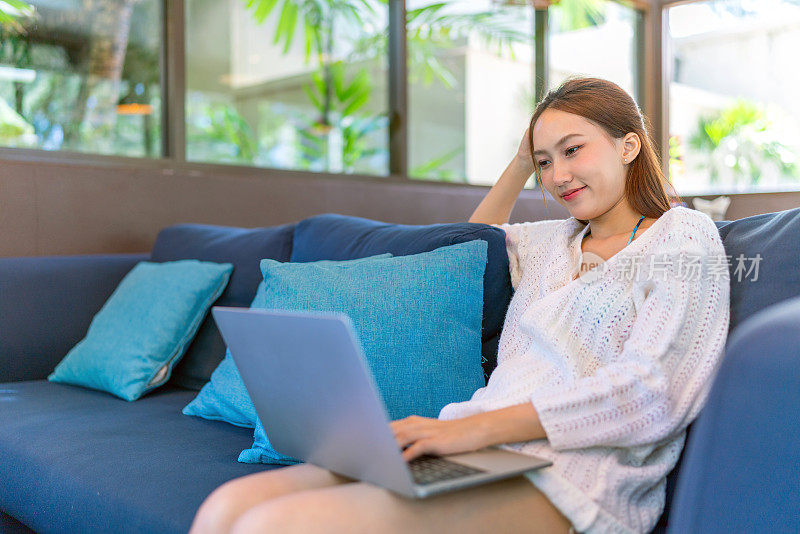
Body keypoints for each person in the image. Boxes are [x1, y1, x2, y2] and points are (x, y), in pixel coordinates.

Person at [188, 77, 730, 534]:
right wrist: (520, 163)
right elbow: (472, 243)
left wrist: (464, 431)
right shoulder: (553, 241)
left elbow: (652, 395)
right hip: (473, 446)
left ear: (628, 146)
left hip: (576, 476)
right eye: (546, 161)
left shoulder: (683, 238)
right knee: (226, 509)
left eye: (573, 149)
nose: (558, 176)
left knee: (273, 525)